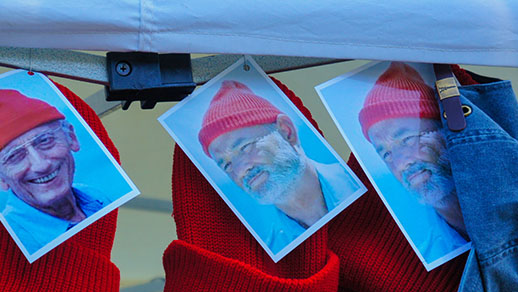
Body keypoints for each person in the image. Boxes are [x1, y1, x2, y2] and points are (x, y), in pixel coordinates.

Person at [199, 80, 359, 252]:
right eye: (227, 165)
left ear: (286, 131)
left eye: (245, 147)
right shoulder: (271, 255)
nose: (240, 171)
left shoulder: (364, 184)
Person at [0, 89, 107, 252]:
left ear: (72, 138)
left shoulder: (95, 197)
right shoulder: (8, 246)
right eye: (14, 156)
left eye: (45, 141)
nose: (41, 165)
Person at [358, 62, 469, 258]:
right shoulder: (428, 255)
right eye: (387, 154)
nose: (401, 164)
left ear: (443, 128)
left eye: (407, 139)